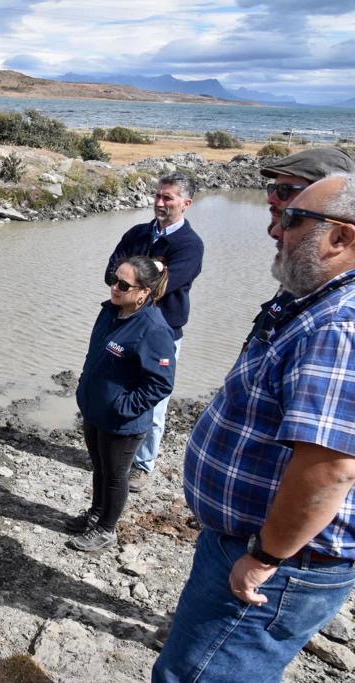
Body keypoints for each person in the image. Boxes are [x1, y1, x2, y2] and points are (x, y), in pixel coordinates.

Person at [153, 173, 355, 682]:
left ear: (342, 236)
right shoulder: (315, 303)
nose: (275, 230)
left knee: (198, 675)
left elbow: (330, 469)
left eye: (291, 219)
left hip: (278, 562)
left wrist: (265, 556)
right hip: (249, 542)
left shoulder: (339, 325)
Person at [68, 256, 175, 552]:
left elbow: (161, 383)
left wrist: (123, 407)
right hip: (95, 410)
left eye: (123, 284)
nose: (114, 287)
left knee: (116, 476)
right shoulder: (110, 312)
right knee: (99, 468)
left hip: (122, 421)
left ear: (143, 293)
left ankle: (106, 530)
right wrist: (84, 388)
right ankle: (95, 515)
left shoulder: (153, 328)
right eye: (113, 280)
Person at [105, 171, 204, 491]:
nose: (159, 203)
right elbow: (111, 272)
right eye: (158, 195)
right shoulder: (136, 233)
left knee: (153, 403)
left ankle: (142, 465)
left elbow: (163, 289)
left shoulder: (190, 245)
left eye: (168, 198)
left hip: (163, 334)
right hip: (121, 326)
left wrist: (133, 278)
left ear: (186, 203)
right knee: (113, 387)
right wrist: (146, 275)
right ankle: (113, 450)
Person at [243, 147, 355, 348]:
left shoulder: (338, 319)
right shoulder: (304, 274)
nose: (271, 199)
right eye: (272, 188)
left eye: (284, 190)